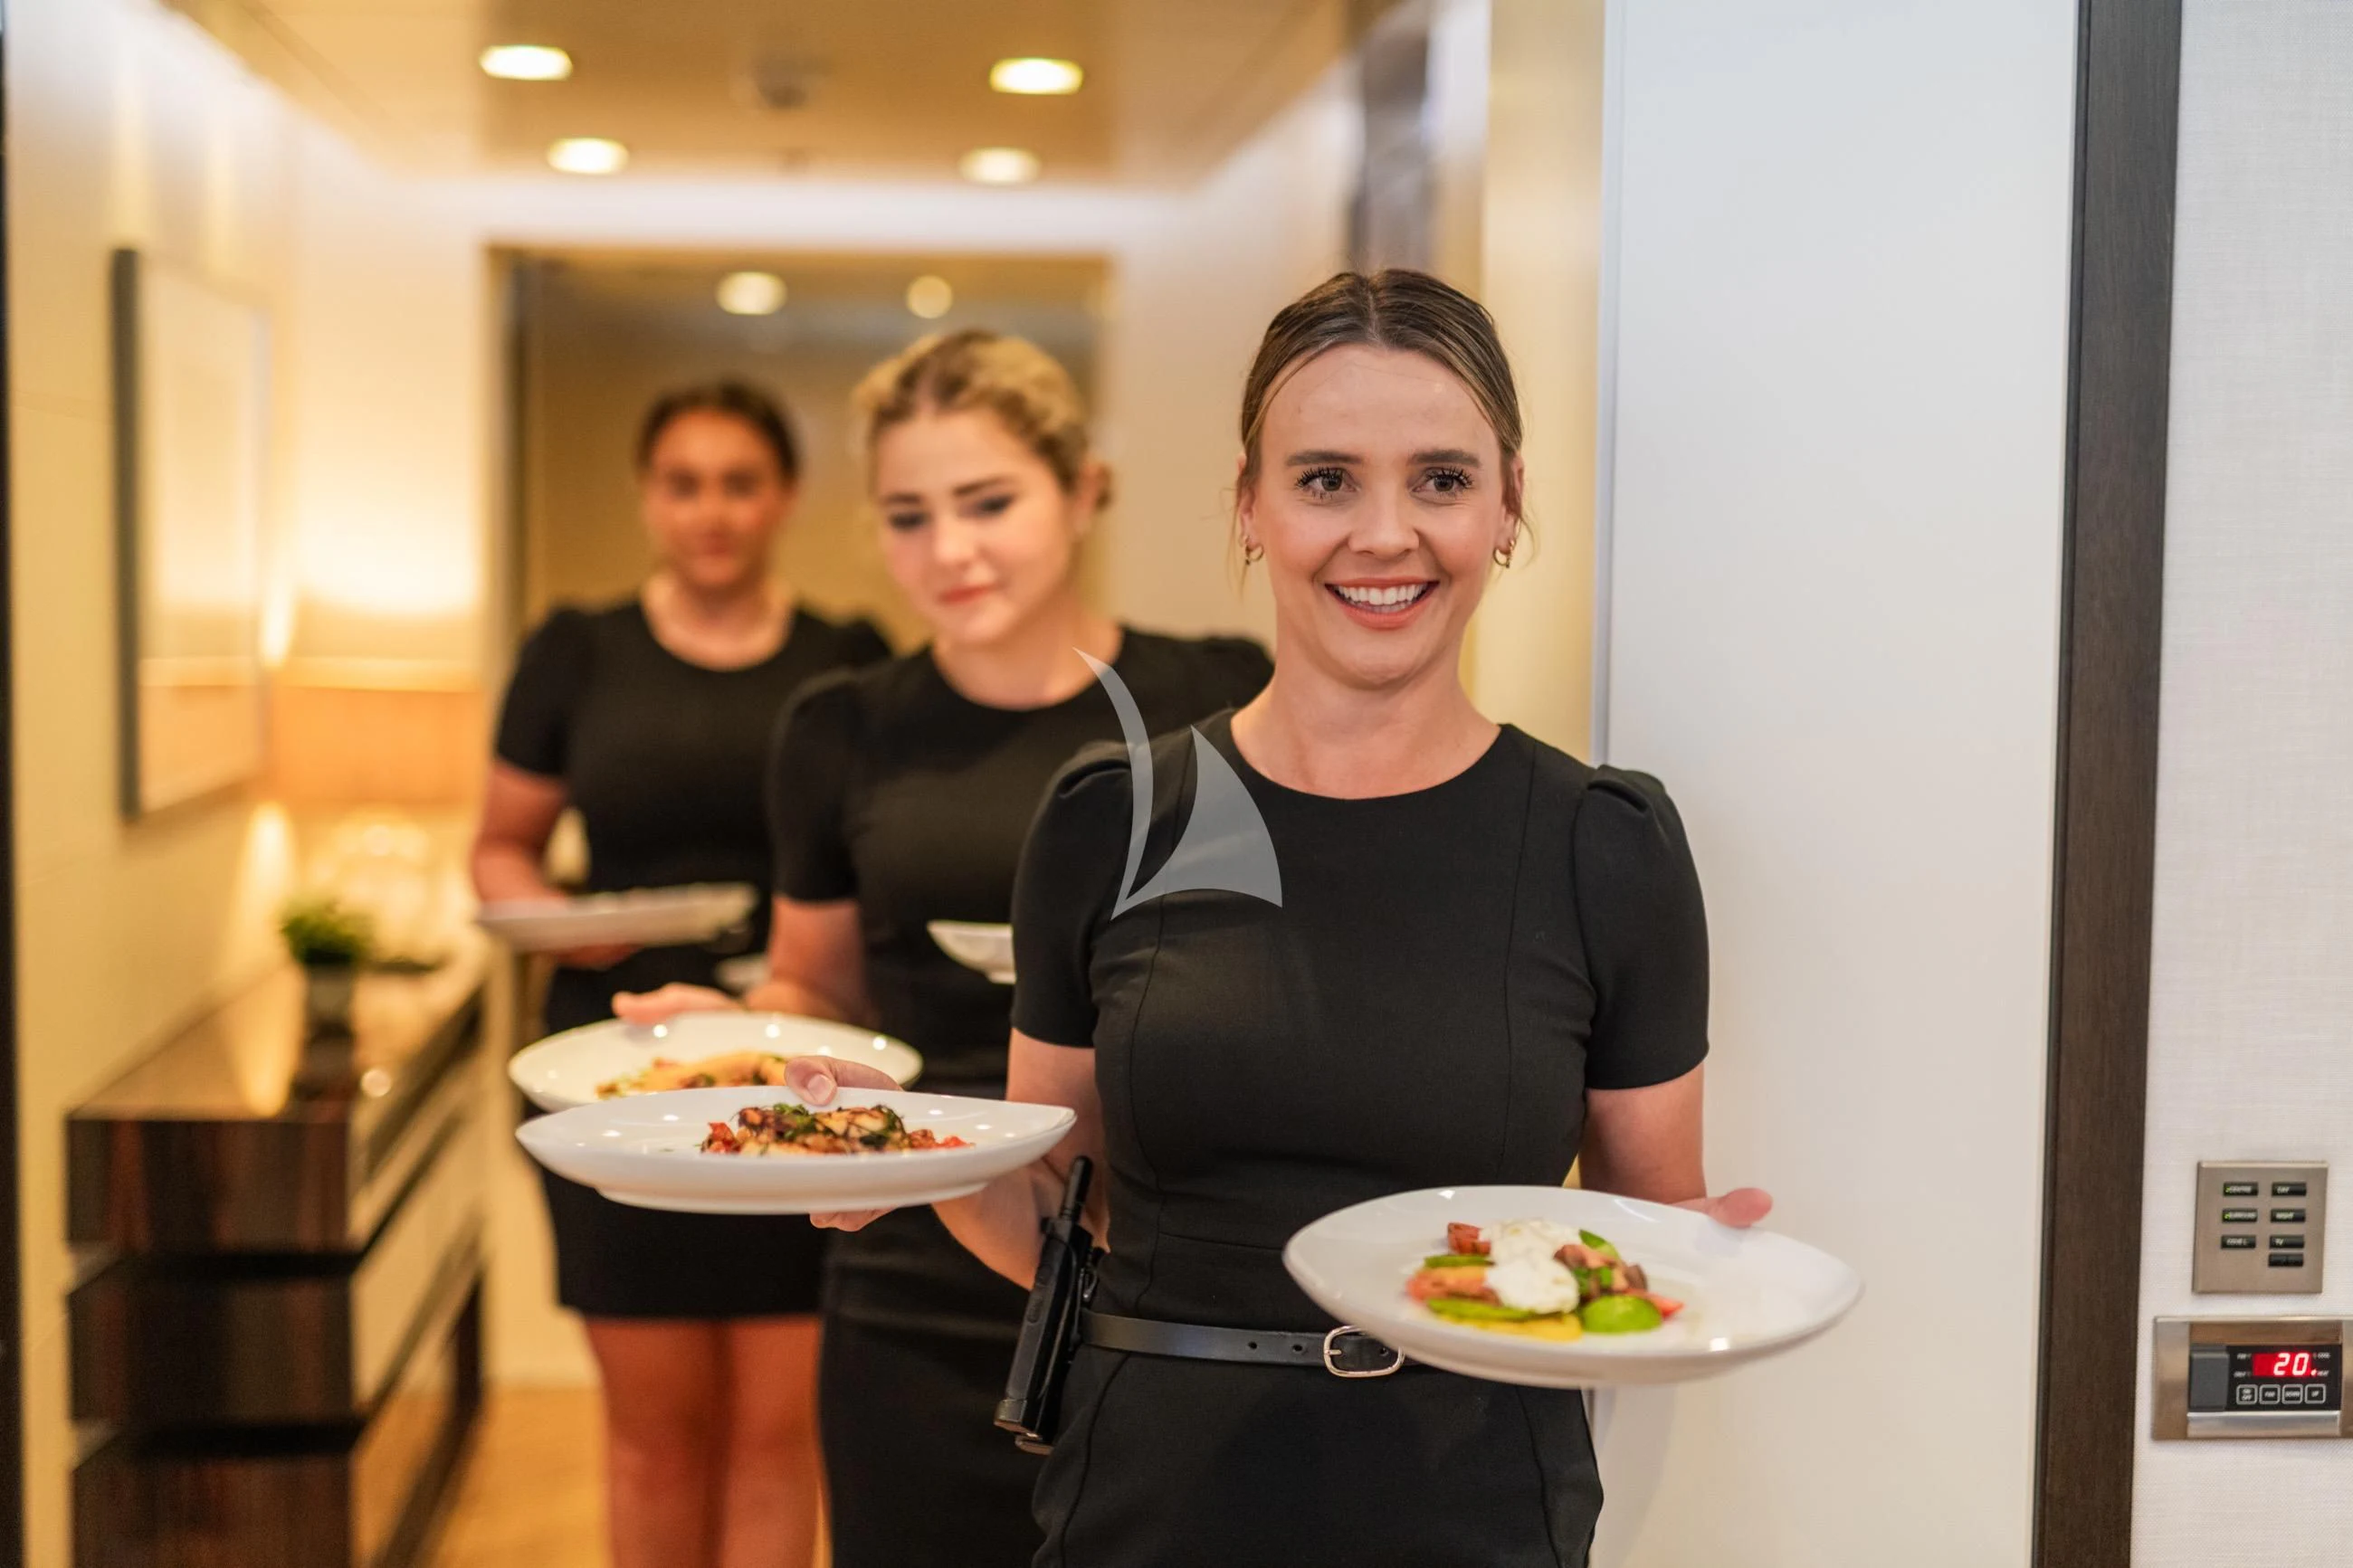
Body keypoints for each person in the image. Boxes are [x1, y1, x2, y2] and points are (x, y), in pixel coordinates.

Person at [789, 271, 1773, 1567]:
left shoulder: (1608, 846)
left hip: (1472, 1511)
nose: (1384, 533)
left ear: (1509, 503)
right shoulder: (1107, 820)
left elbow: (1643, 1240)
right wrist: (905, 1155)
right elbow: (1060, 1213)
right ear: (1250, 504)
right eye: (1325, 480)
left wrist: (1676, 1268)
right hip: (1150, 1504)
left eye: (1440, 478)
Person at [614, 329, 1272, 1567]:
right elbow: (817, 984)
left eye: (989, 501)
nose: (949, 550)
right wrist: (738, 1033)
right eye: (909, 515)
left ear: (1083, 488)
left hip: (1161, 1267)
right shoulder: (843, 727)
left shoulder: (1219, 698)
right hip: (913, 1261)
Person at [472, 381, 890, 1568]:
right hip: (615, 1076)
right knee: (652, 1433)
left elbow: (876, 868)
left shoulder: (846, 661)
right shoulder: (575, 649)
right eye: (685, 484)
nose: (711, 511)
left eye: (740, 483)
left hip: (796, 1070)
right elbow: (500, 844)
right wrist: (561, 922)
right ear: (649, 498)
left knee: (776, 1431)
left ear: (787, 498)